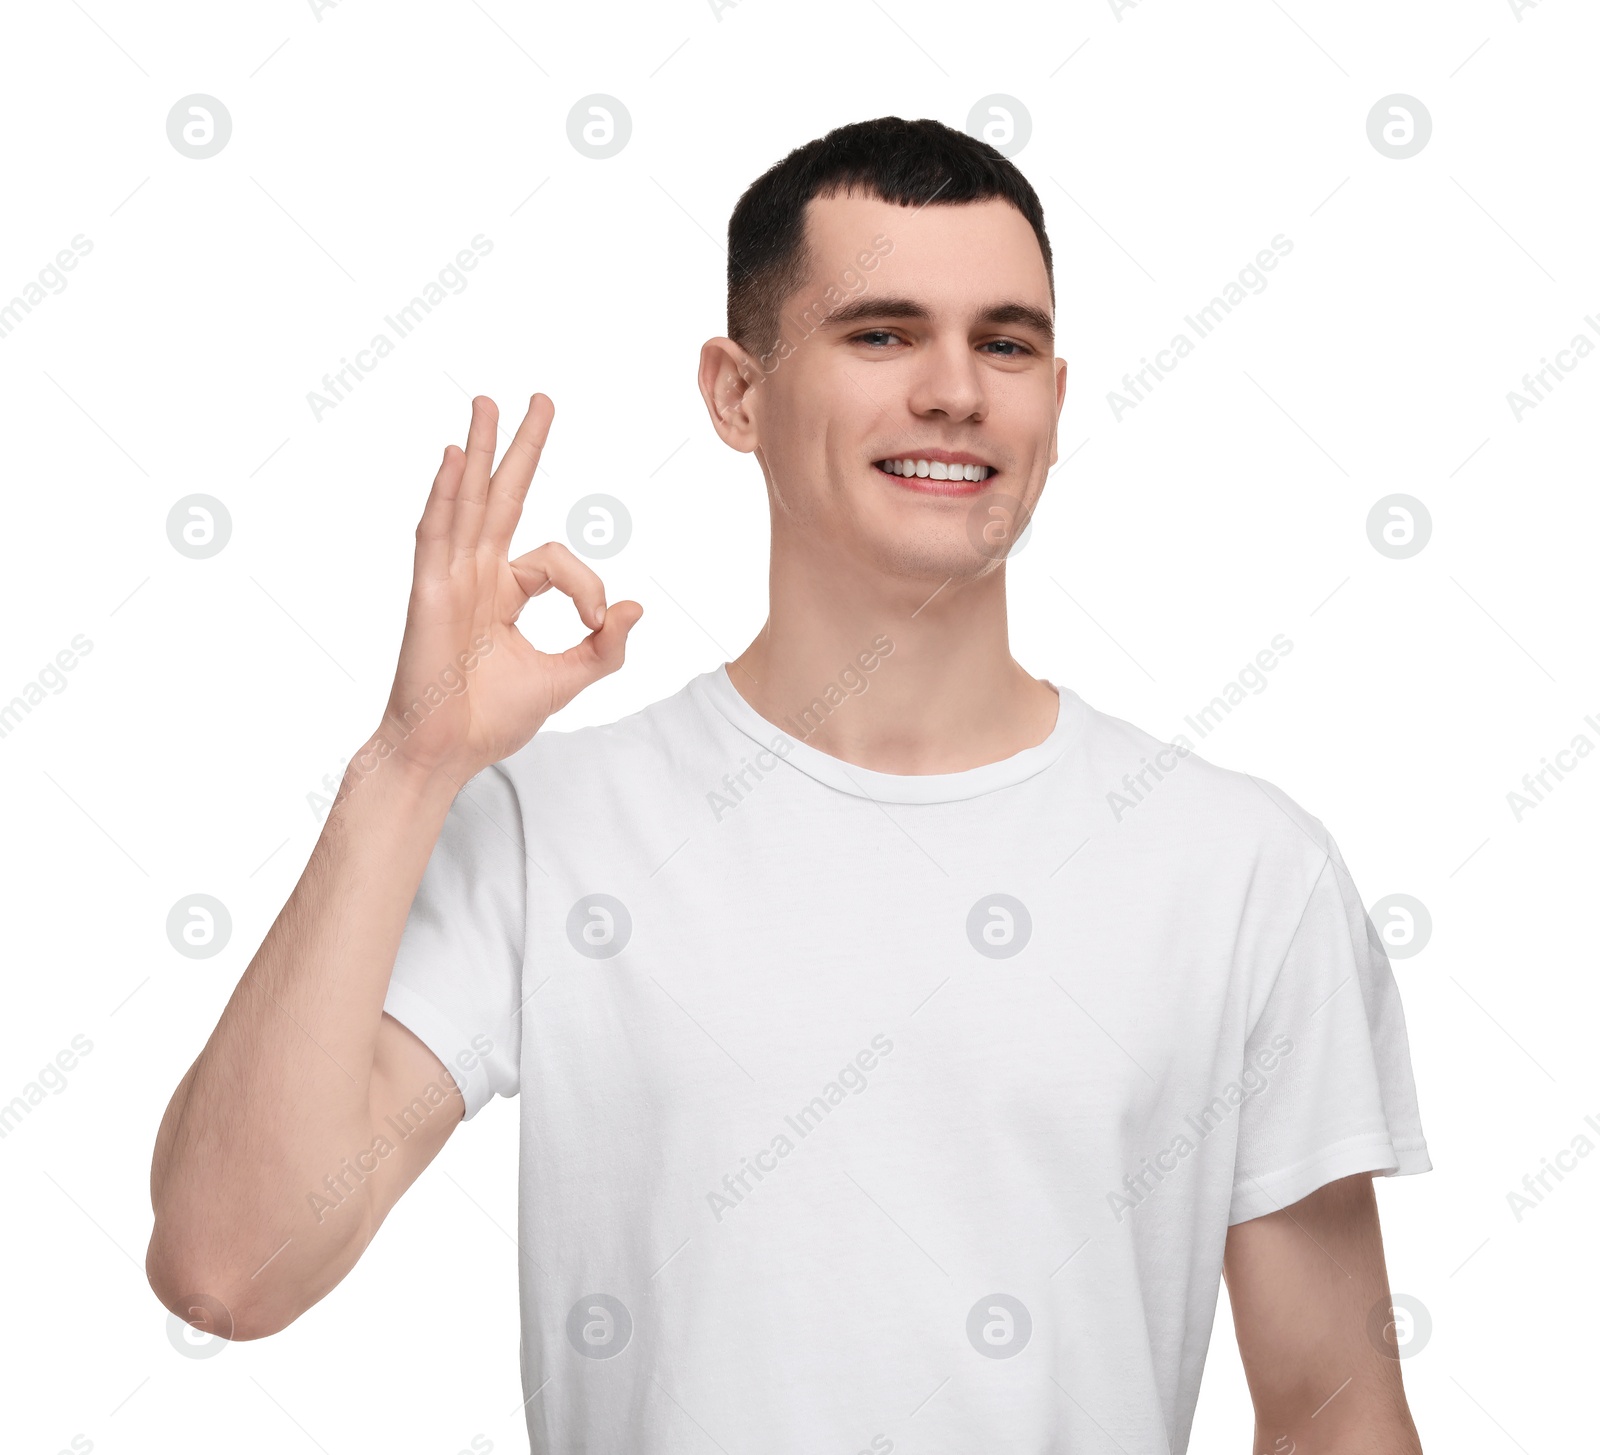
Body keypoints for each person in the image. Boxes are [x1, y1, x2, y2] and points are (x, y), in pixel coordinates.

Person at [146, 115, 1431, 1454]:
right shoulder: (553, 830)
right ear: (736, 394)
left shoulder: (1240, 870)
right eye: (881, 334)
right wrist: (408, 764)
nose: (955, 390)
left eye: (1006, 341)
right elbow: (228, 1268)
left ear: (1054, 393)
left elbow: (1335, 1414)